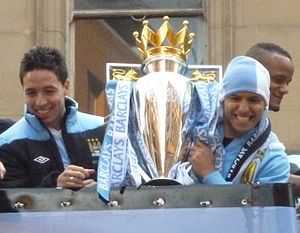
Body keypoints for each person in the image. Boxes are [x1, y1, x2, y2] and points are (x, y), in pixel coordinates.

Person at [0, 46, 106, 189]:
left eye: (49, 91)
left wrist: (100, 192)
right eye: (31, 93)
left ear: (66, 86)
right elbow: (13, 203)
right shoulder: (8, 142)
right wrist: (55, 189)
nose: (40, 102)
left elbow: (126, 185)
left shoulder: (101, 128)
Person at [189, 56, 289, 184]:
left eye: (254, 100)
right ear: (223, 100)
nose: (243, 109)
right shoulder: (194, 133)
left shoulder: (274, 158)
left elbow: (263, 204)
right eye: (235, 98)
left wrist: (210, 174)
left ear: (265, 105)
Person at [245, 42, 294, 112]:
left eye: (287, 83)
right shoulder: (229, 121)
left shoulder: (263, 121)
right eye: (278, 80)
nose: (285, 90)